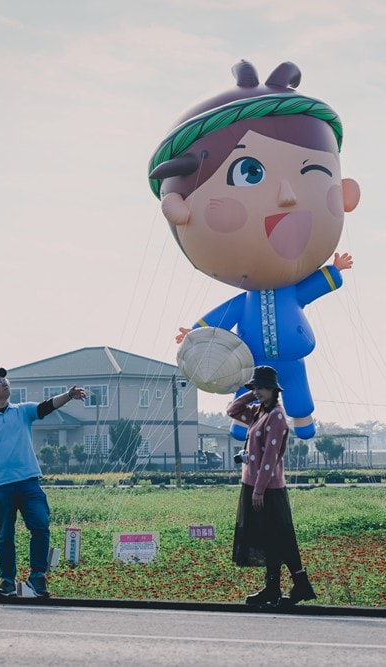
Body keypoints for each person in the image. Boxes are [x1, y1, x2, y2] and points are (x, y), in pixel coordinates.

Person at [149, 60, 361, 441]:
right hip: (250, 360)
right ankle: (239, 425)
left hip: (291, 359)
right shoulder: (245, 300)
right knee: (246, 390)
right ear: (179, 207)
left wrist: (334, 271)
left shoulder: (286, 293)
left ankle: (303, 423)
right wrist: (197, 332)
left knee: (297, 394)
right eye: (250, 172)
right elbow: (221, 317)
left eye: (313, 172)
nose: (287, 196)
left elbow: (313, 287)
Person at [0, 367, 87, 599]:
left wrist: (68, 395)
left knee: (40, 526)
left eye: (5, 379)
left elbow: (46, 406)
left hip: (29, 484)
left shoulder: (22, 411)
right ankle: (7, 583)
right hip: (1, 486)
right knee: (5, 535)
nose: (5, 383)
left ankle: (37, 578)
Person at [228, 365, 316, 608]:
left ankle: (300, 585)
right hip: (254, 485)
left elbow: (270, 457)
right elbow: (232, 409)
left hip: (268, 488)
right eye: (255, 387)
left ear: (274, 390)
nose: (257, 391)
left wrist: (259, 489)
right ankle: (272, 588)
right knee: (269, 538)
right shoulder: (259, 413)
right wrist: (252, 392)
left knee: (281, 538)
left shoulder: (276, 416)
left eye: (262, 387)